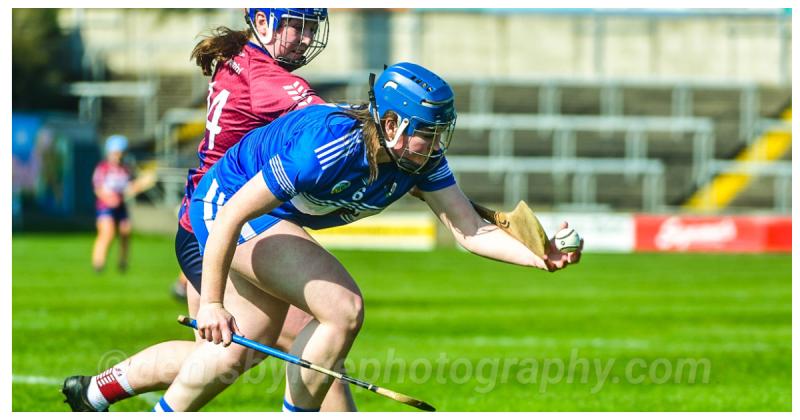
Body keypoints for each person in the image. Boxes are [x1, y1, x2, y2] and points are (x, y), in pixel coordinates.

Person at [152, 62, 583, 412]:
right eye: (427, 133)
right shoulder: (328, 147)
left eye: (440, 133)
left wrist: (539, 257)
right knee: (343, 309)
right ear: (391, 123)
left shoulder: (421, 160)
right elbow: (230, 214)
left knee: (235, 352)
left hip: (269, 218)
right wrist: (211, 304)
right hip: (223, 205)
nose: (436, 145)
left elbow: (469, 229)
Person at [63, 7, 356, 412]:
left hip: (207, 222)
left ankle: (95, 391)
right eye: (296, 26)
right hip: (220, 224)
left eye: (310, 28)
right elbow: (327, 125)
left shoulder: (242, 58)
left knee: (219, 354)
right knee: (318, 336)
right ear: (263, 22)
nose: (306, 38)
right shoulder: (264, 75)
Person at [90, 135, 153, 273]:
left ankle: (123, 262)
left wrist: (142, 184)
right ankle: (98, 263)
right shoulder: (103, 167)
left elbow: (128, 189)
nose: (118, 156)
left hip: (120, 205)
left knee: (126, 231)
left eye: (121, 153)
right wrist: (109, 199)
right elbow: (98, 188)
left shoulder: (125, 169)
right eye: (116, 153)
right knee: (107, 233)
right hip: (105, 206)